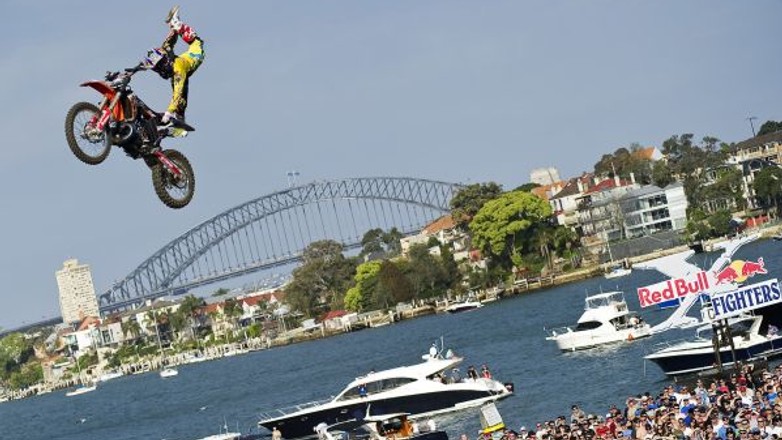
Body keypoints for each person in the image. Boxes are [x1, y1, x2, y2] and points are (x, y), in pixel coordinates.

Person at [146, 5, 205, 137]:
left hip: (195, 55)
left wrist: (168, 111)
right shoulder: (172, 68)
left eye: (160, 67)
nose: (160, 71)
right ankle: (179, 120)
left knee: (196, 41)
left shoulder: (177, 70)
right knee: (182, 96)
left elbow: (177, 93)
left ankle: (176, 23)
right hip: (182, 61)